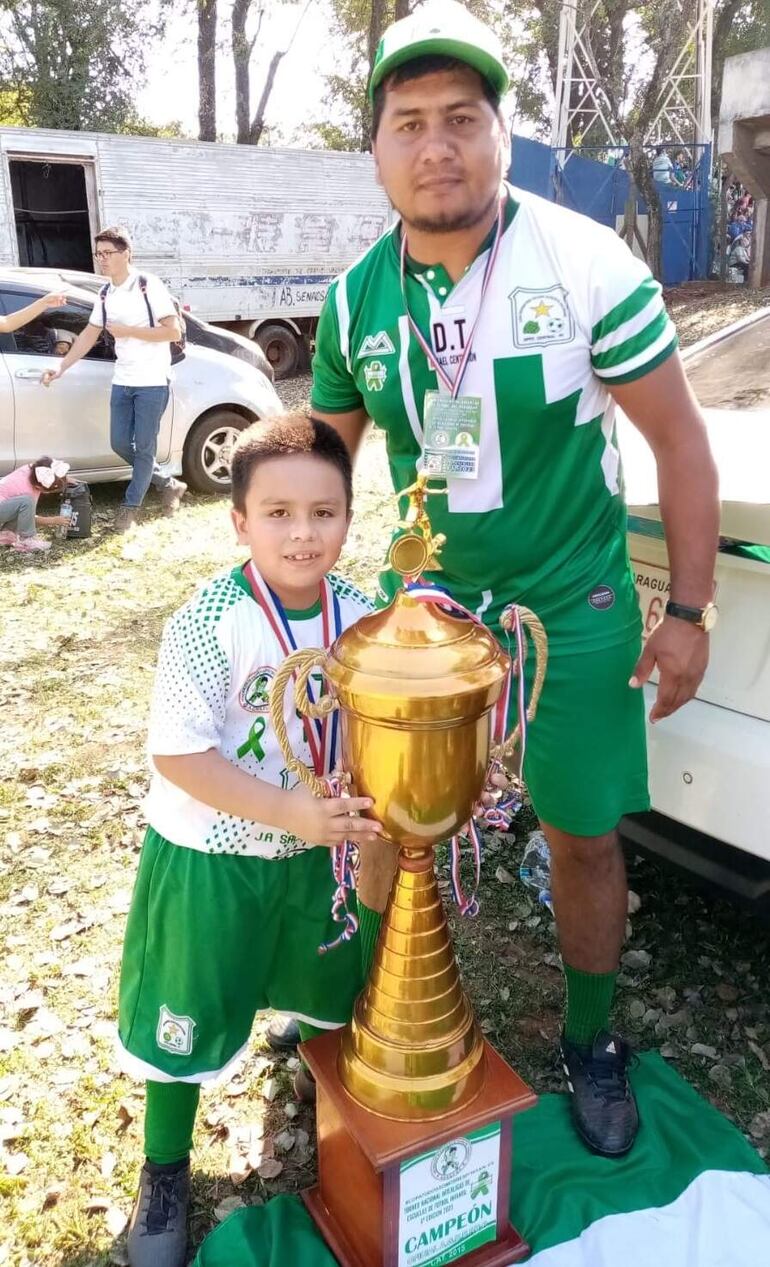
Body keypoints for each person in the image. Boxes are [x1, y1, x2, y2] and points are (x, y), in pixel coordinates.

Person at [310, 0, 719, 1160]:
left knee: (578, 833)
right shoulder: (354, 299)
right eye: (407, 124)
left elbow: (676, 442)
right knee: (389, 820)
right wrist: (291, 590)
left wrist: (685, 610)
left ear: (501, 134)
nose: (434, 146)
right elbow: (323, 466)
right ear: (377, 150)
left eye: (460, 120)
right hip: (427, 618)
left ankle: (591, 1039)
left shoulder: (582, 260)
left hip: (570, 607)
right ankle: (383, 1014)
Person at [118, 413, 382, 1267]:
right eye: (278, 513)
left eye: (323, 512)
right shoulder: (210, 619)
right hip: (211, 860)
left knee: (326, 980)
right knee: (188, 1009)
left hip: (320, 859)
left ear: (349, 515)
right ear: (240, 521)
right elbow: (178, 752)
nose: (303, 533)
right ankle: (164, 1171)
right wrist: (292, 811)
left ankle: (323, 1092)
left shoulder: (366, 615)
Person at [41, 225, 187, 533]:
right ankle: (169, 483)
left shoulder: (148, 285)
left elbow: (172, 331)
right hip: (123, 380)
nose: (102, 259)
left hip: (153, 380)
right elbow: (88, 335)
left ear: (126, 253)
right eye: (98, 254)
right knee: (120, 442)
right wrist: (61, 367)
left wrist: (129, 331)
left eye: (108, 253)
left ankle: (129, 508)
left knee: (144, 447)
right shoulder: (105, 293)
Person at [0, 457, 73, 553]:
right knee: (26, 502)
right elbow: (28, 518)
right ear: (39, 487)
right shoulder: (27, 490)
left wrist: (63, 479)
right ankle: (26, 540)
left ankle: (6, 534)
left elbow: (50, 470)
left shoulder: (31, 471)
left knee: (22, 504)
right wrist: (53, 520)